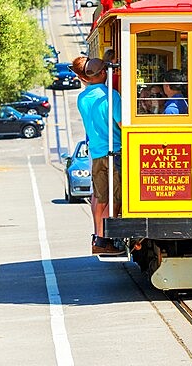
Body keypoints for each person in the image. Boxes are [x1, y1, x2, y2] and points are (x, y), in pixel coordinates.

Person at [70, 55, 122, 256]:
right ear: (103, 73)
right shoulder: (111, 95)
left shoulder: (82, 98)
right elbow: (120, 123)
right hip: (115, 150)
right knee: (115, 196)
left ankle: (98, 237)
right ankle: (109, 238)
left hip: (96, 152)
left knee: (100, 196)